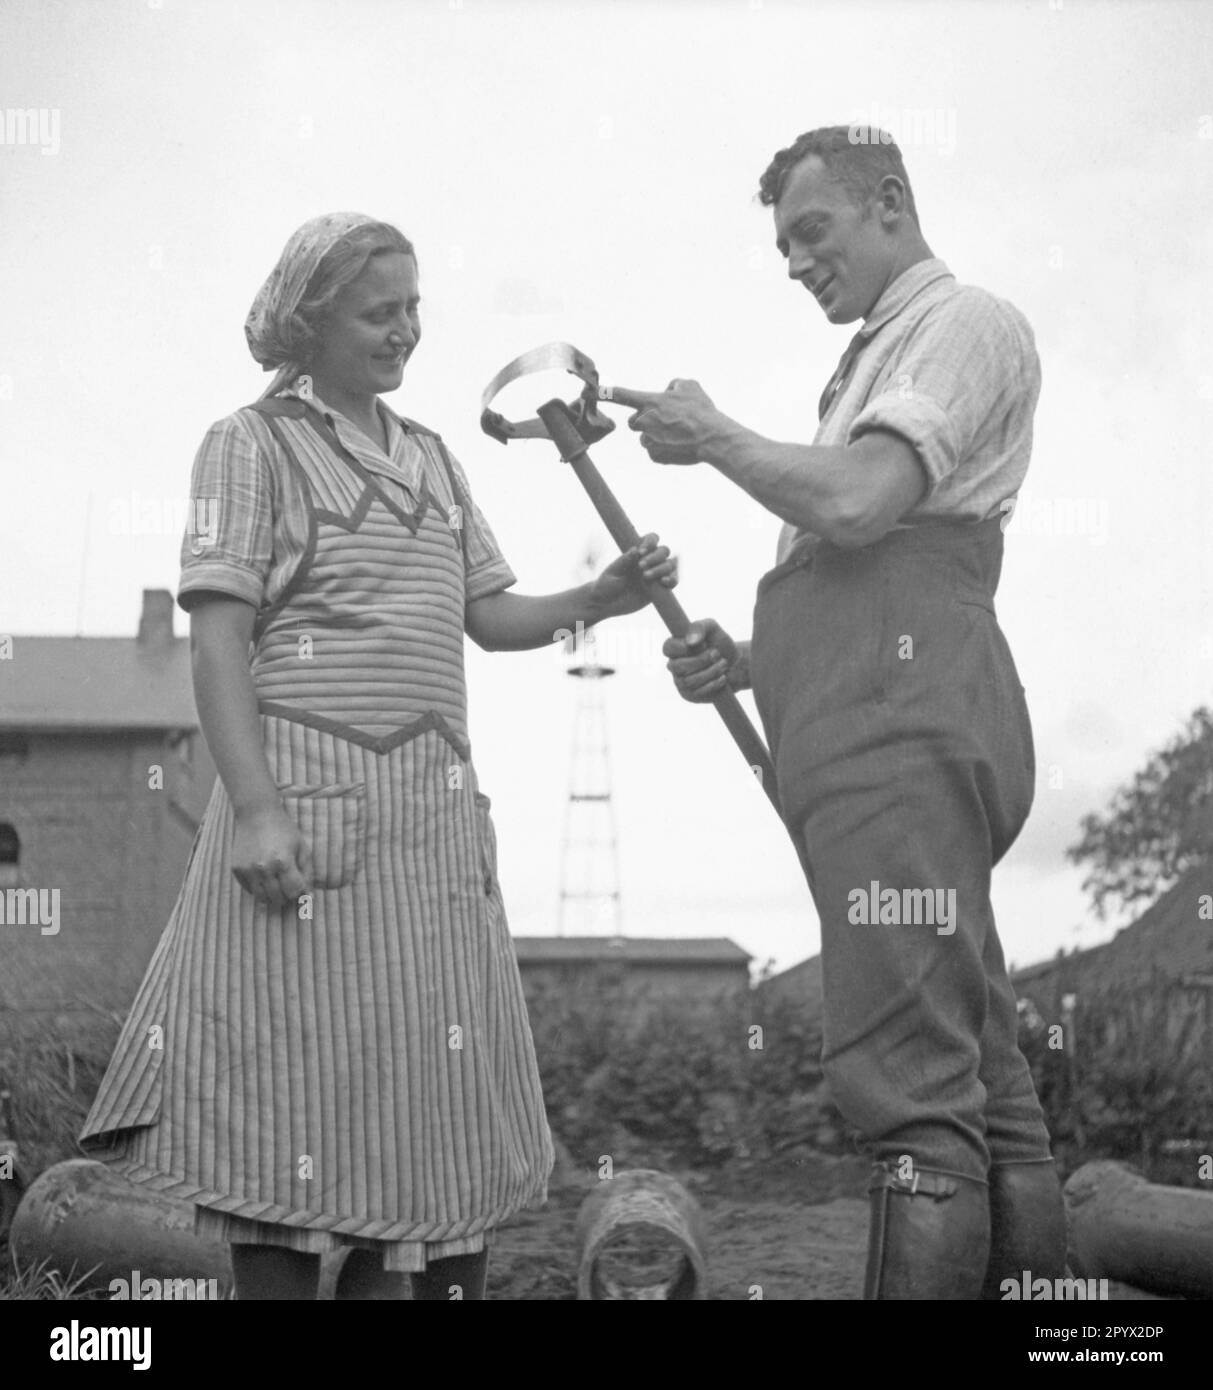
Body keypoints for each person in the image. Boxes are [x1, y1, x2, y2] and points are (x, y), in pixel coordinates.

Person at [80, 212, 677, 1301]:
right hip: (305, 823)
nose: (404, 331)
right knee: (287, 1125)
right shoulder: (247, 444)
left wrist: (599, 598)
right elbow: (218, 642)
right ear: (309, 322)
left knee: (422, 1129)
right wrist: (255, 809)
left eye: (412, 308)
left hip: (431, 828)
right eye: (377, 311)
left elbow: (488, 616)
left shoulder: (437, 461)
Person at [609, 127, 1065, 1300]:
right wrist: (755, 661)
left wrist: (710, 437)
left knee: (905, 1088)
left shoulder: (962, 323)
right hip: (881, 725)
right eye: (783, 245)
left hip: (901, 739)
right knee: (982, 1074)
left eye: (814, 231)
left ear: (890, 204)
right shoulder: (871, 362)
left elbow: (865, 506)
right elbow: (867, 577)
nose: (797, 261)